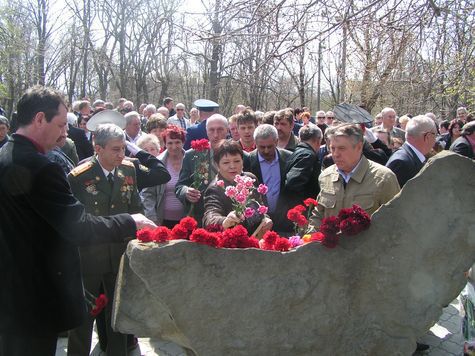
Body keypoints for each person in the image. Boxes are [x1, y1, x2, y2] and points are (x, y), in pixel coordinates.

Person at [0, 86, 156, 356]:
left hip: (11, 292)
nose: (65, 133)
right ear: (39, 119)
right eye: (61, 125)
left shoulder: (6, 153)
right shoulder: (42, 168)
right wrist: (130, 222)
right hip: (35, 296)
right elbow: (78, 227)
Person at [67, 123, 144, 356]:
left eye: (123, 149)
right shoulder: (79, 177)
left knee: (118, 314)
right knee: (84, 316)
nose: (121, 154)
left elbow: (135, 208)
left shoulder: (128, 170)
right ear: (97, 148)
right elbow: (76, 220)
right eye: (115, 149)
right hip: (89, 255)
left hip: (120, 254)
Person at [309, 123, 400, 228]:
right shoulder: (326, 176)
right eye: (332, 148)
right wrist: (309, 239)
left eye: (342, 148)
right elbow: (319, 214)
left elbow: (395, 222)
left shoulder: (384, 178)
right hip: (331, 244)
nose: (335, 154)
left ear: (359, 147)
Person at [203, 140, 272, 236]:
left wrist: (266, 219)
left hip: (256, 239)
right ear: (217, 165)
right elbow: (210, 217)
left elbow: (261, 206)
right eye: (226, 162)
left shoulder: (250, 179)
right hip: (231, 244)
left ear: (243, 162)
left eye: (237, 161)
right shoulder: (215, 189)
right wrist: (225, 221)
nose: (232, 166)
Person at [176, 114, 228, 225]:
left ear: (227, 131)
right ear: (206, 131)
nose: (216, 135)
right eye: (211, 130)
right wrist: (186, 192)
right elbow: (179, 186)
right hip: (200, 219)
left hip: (229, 218)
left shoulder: (238, 154)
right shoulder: (192, 155)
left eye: (220, 130)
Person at [246, 124, 293, 234]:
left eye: (270, 146)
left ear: (276, 142)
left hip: (284, 222)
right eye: (262, 147)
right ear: (255, 143)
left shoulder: (289, 158)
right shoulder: (248, 160)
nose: (266, 151)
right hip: (258, 223)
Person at [141, 126, 187, 227]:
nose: (174, 147)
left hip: (187, 220)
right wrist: (152, 218)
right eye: (170, 143)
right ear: (165, 144)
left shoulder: (192, 160)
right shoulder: (157, 163)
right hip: (162, 221)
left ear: (183, 142)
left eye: (177, 142)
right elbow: (148, 194)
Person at [386, 115, 437, 187]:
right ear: (428, 136)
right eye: (435, 135)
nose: (435, 139)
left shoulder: (409, 157)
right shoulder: (401, 162)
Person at [285, 124, 322, 207]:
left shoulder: (296, 152)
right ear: (318, 141)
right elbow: (293, 184)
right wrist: (302, 209)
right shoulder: (307, 156)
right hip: (300, 211)